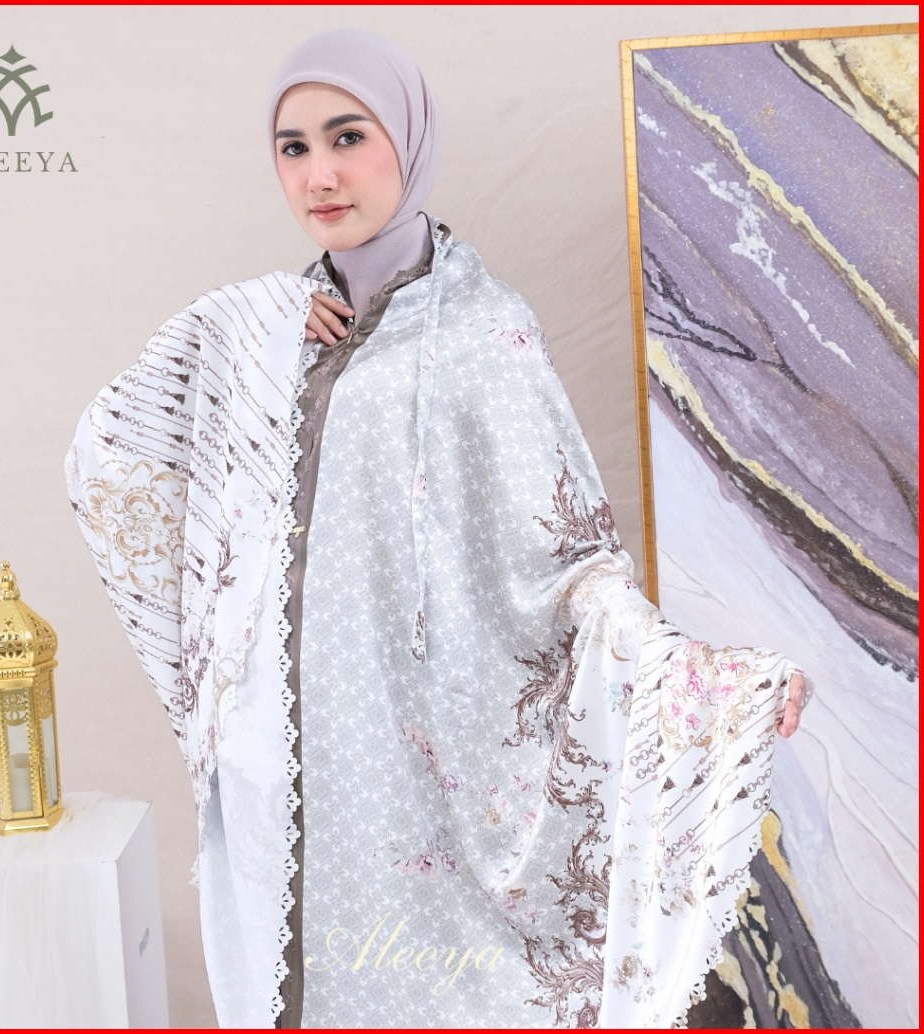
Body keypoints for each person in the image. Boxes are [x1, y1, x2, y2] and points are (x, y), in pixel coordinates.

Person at [67, 29, 807, 1030]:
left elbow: (573, 569)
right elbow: (111, 451)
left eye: (347, 136)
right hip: (281, 775)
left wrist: (713, 685)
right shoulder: (271, 331)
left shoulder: (484, 334)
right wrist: (236, 318)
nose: (320, 175)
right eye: (293, 147)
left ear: (407, 141)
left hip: (414, 779)